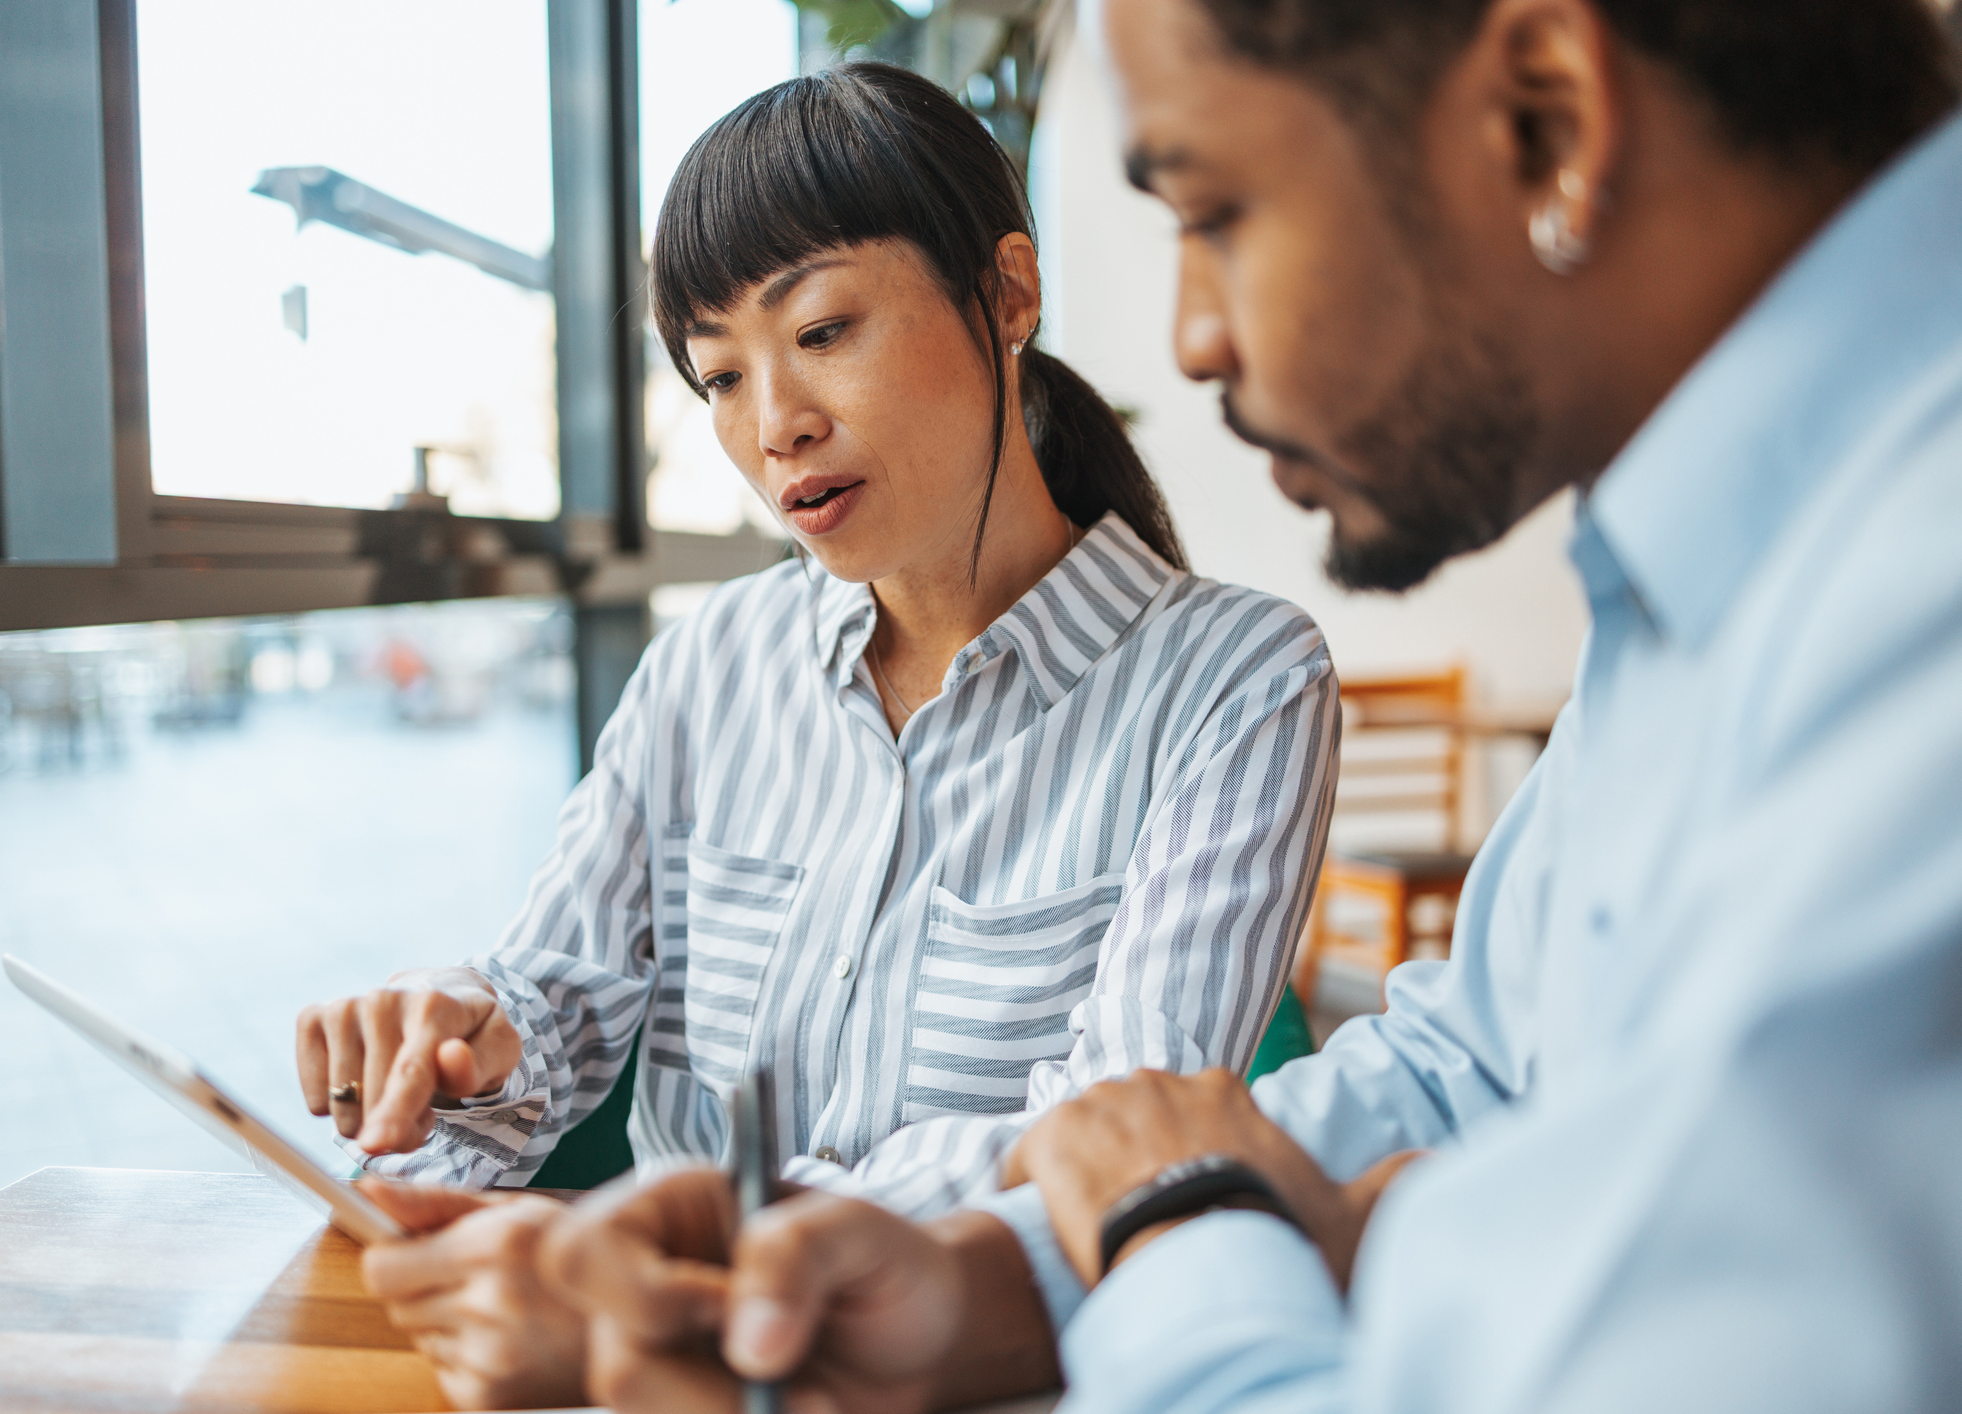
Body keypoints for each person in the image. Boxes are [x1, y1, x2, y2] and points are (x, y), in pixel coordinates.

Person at [535, 0, 1962, 1410]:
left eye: (1212, 213)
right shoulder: (1709, 584)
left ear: (1544, 117)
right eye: (716, 375)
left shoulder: (1913, 604)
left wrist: (1165, 1229)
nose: (1192, 337)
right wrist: (987, 1283)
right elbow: (1460, 1067)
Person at [308, 62, 1337, 1407]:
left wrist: (697, 1252)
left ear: (1007, 294)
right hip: (662, 1360)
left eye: (824, 330)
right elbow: (558, 1000)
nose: (772, 422)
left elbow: (1107, 1151)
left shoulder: (1235, 683)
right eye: (719, 374)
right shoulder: (707, 668)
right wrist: (467, 1050)